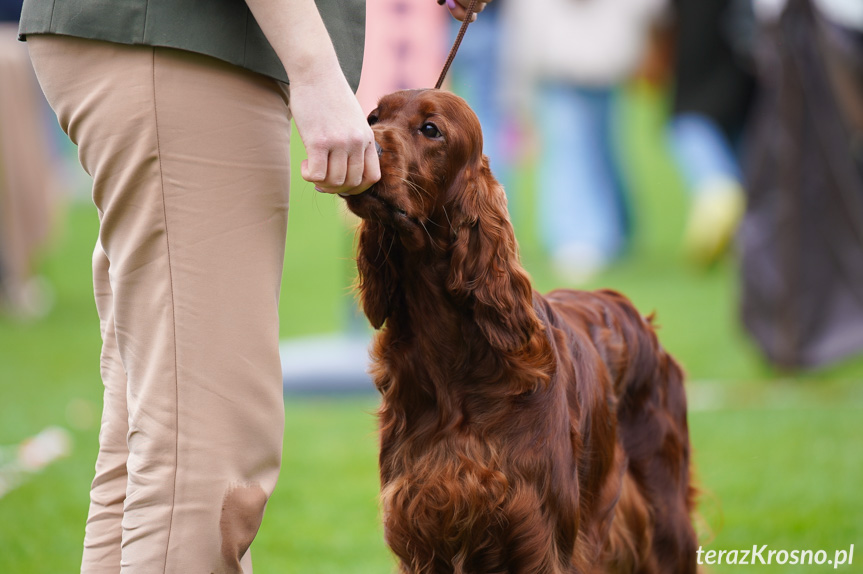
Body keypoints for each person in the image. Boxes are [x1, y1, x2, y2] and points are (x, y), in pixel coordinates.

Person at [16, 0, 488, 571]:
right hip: (187, 47)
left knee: (152, 449)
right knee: (205, 467)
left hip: (160, 45)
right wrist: (315, 72)